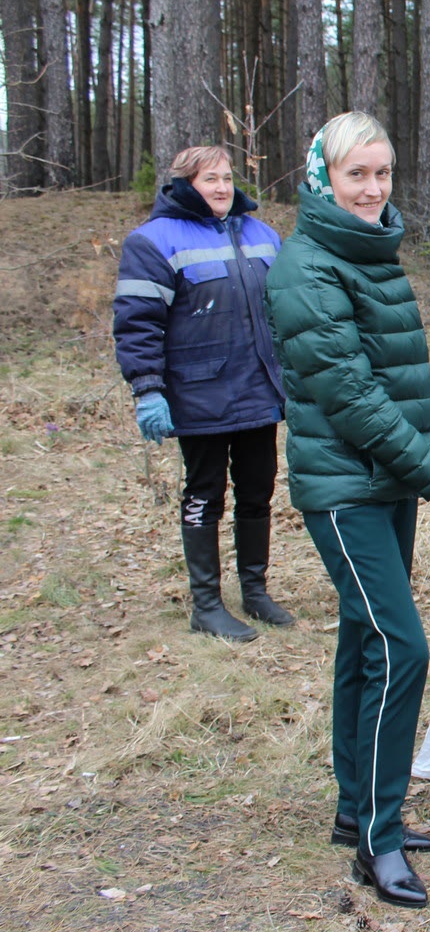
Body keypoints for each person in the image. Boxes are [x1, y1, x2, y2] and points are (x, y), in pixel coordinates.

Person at [264, 111, 430, 910]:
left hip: (383, 478)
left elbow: (394, 382)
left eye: (382, 173)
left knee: (363, 641)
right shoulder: (306, 270)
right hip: (344, 487)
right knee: (400, 647)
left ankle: (356, 811)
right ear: (322, 180)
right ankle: (377, 841)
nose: (373, 189)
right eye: (357, 176)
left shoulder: (370, 253)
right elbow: (351, 401)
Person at [114, 145, 290, 642]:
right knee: (205, 494)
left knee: (258, 492)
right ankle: (206, 605)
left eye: (227, 176)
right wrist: (147, 389)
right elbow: (137, 325)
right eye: (209, 178)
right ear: (183, 184)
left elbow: (284, 310)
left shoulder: (262, 234)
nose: (221, 186)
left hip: (259, 389)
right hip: (200, 395)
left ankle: (254, 592)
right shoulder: (152, 242)